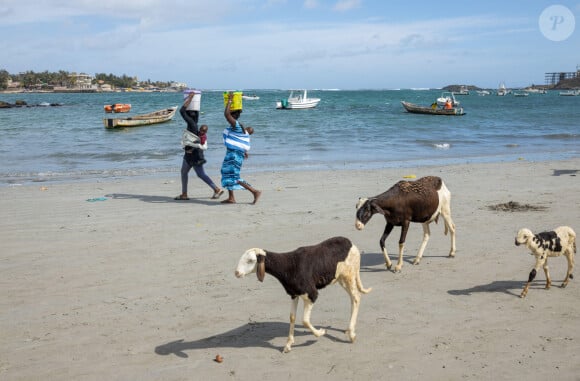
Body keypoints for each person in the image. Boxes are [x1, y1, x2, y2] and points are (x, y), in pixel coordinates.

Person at [174, 93, 223, 201]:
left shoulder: (192, 124)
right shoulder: (195, 121)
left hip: (194, 155)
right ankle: (184, 194)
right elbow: (192, 111)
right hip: (190, 154)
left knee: (200, 174)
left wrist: (190, 97)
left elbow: (182, 111)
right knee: (185, 172)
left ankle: (216, 189)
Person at [220, 92, 261, 204]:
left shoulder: (236, 125)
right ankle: (231, 198)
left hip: (234, 155)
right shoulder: (238, 128)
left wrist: (229, 100)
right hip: (233, 153)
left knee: (233, 176)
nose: (229, 115)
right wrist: (244, 151)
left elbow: (226, 114)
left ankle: (254, 191)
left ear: (234, 115)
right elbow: (241, 141)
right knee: (227, 173)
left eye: (231, 113)